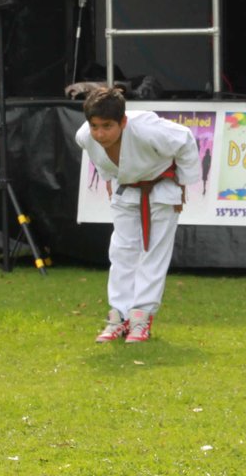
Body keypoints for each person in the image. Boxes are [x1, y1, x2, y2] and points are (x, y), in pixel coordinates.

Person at [74, 87, 198, 344]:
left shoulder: (148, 130)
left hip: (162, 188)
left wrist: (183, 183)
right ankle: (119, 315)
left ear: (123, 122)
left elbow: (186, 139)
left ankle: (141, 316)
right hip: (126, 189)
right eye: (95, 126)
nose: (100, 133)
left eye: (107, 126)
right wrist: (109, 177)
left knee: (153, 252)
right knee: (121, 251)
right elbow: (100, 160)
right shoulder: (84, 136)